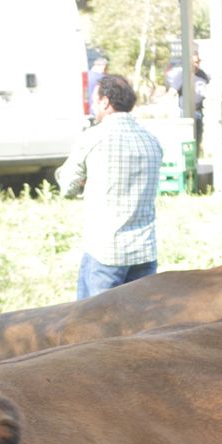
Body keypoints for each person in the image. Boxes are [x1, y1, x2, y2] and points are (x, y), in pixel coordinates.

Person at [57, 74, 163, 300]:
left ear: (105, 102)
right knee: (141, 326)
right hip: (144, 251)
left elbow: (67, 184)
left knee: (94, 326)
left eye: (95, 100)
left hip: (105, 250)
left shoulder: (94, 137)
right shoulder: (152, 140)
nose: (94, 106)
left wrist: (83, 183)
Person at [167, 51, 209, 148]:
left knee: (197, 139)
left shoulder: (202, 75)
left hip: (198, 111)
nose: (196, 64)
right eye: (194, 62)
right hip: (185, 112)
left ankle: (196, 160)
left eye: (197, 62)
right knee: (186, 141)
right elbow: (172, 92)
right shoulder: (182, 75)